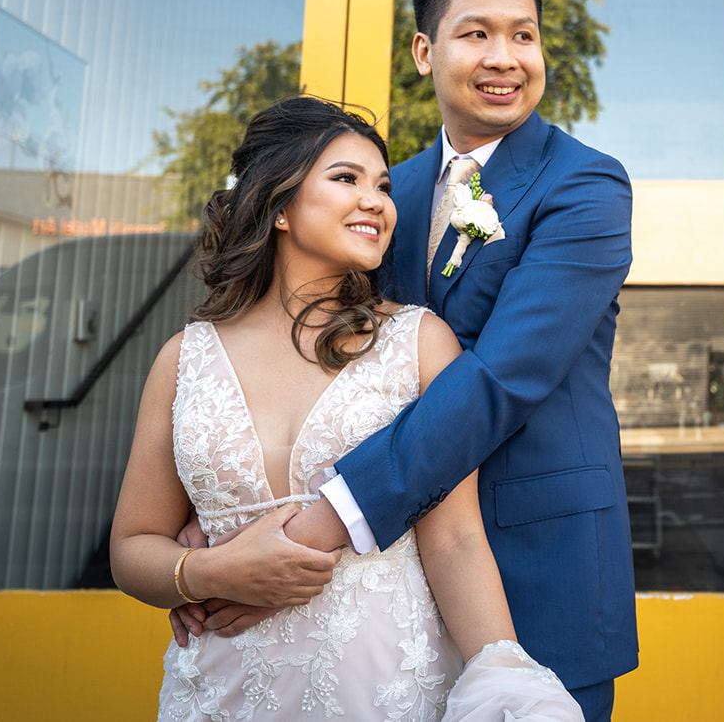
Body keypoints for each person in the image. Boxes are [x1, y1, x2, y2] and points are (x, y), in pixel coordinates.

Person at [180, 0, 638, 721]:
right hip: (383, 588)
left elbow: (501, 378)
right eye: (477, 32)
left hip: (537, 569)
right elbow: (326, 344)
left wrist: (308, 528)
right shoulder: (389, 187)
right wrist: (229, 515)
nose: (505, 57)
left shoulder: (586, 185)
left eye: (524, 34)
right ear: (426, 50)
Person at [110, 95, 579, 721]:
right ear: (278, 205)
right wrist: (205, 573)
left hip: (383, 684)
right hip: (220, 690)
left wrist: (505, 681)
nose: (377, 201)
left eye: (383, 186)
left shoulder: (419, 343)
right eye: (346, 178)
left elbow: (456, 540)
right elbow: (133, 547)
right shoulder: (183, 358)